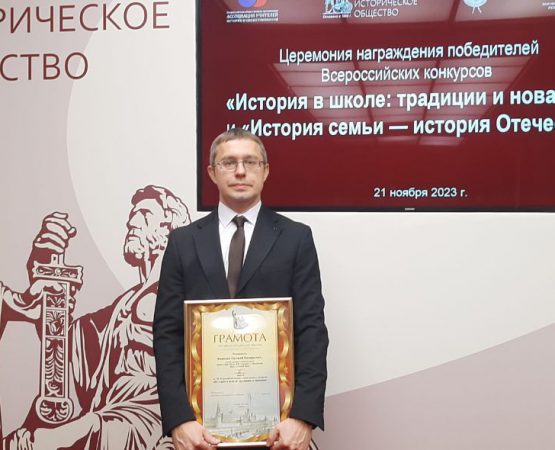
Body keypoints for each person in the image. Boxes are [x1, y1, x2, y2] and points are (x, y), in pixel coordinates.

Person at [153, 128, 328, 450]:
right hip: (200, 430)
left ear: (265, 170)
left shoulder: (296, 238)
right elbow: (167, 334)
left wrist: (303, 418)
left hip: (280, 429)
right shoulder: (183, 242)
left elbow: (311, 330)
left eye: (251, 162)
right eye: (228, 162)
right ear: (212, 172)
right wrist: (179, 419)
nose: (240, 171)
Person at [5, 186, 189, 450]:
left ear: (168, 230)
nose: (132, 222)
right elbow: (63, 351)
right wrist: (45, 276)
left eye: (145, 214)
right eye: (132, 215)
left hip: (146, 423)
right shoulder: (122, 306)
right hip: (110, 417)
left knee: (34, 443)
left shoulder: (184, 296)